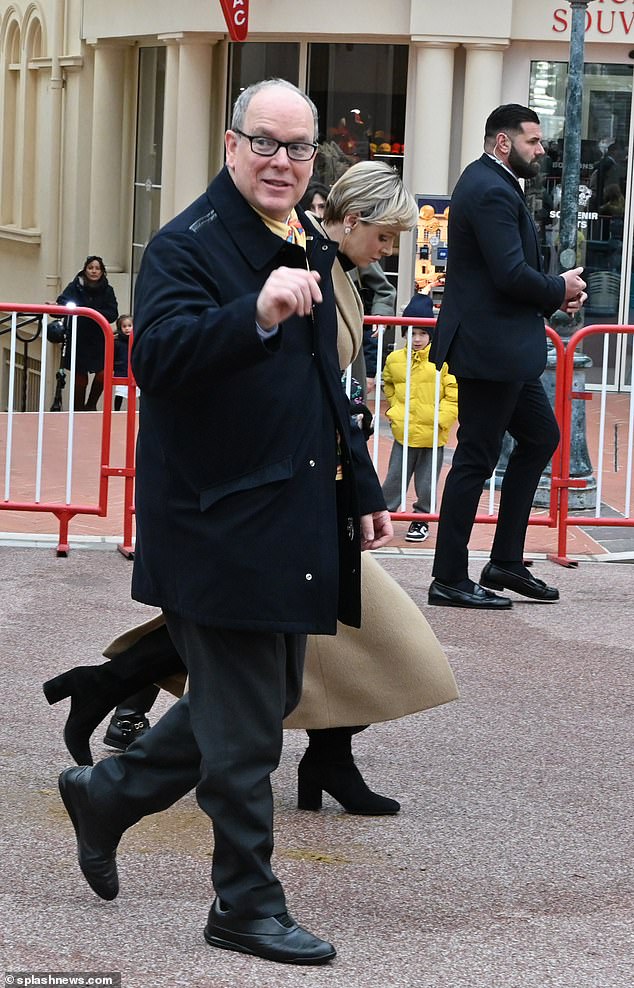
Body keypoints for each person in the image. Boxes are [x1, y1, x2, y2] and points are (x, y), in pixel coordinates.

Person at [54, 79, 394, 967]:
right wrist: (255, 311)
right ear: (233, 144)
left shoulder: (304, 239)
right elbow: (156, 356)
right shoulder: (186, 245)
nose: (283, 162)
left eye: (300, 148)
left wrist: (360, 490)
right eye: (267, 143)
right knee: (245, 732)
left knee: (268, 699)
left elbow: (328, 385)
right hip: (216, 521)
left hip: (290, 517)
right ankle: (243, 904)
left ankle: (111, 794)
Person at [45, 162, 430, 813]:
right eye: (388, 237)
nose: (390, 253)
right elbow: (183, 357)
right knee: (271, 678)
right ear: (359, 219)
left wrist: (362, 488)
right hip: (266, 491)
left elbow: (333, 397)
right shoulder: (269, 254)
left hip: (313, 487)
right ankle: (228, 870)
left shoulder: (326, 262)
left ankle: (120, 725)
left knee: (273, 672)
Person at [427, 103, 587, 610]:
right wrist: (558, 288)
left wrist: (552, 292)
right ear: (504, 142)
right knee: (476, 457)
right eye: (533, 141)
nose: (540, 150)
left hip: (500, 348)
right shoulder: (491, 188)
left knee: (542, 438)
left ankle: (505, 562)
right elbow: (510, 274)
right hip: (488, 349)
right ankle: (449, 577)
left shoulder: (492, 183)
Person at [381, 290, 458, 543]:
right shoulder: (395, 359)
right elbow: (388, 383)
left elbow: (453, 393)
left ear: (431, 335)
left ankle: (421, 518)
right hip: (404, 430)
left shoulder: (443, 361)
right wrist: (394, 409)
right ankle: (384, 514)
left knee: (426, 483)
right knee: (394, 477)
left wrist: (441, 418)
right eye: (412, 332)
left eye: (422, 333)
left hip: (433, 432)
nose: (416, 339)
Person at [56, 255, 118, 410]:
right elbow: (62, 302)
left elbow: (113, 313)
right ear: (85, 270)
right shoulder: (75, 286)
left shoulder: (108, 290)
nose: (94, 271)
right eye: (90, 268)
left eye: (97, 268)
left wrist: (93, 312)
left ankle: (91, 405)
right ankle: (78, 409)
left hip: (99, 338)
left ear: (102, 272)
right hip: (78, 337)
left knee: (103, 373)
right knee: (80, 377)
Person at [112, 314, 140, 412]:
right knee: (119, 393)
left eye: (129, 326)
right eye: (124, 326)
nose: (127, 328)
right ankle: (116, 411)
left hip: (136, 372)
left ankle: (142, 412)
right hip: (121, 371)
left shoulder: (138, 340)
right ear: (120, 328)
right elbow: (112, 357)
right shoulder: (116, 342)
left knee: (139, 392)